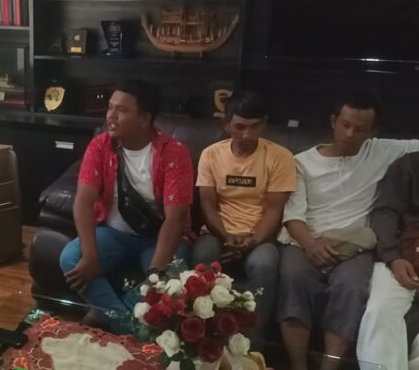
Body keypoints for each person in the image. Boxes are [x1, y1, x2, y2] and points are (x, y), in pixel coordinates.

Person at [277, 92, 419, 370]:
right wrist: (311, 245)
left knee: (352, 288)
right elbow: (292, 215)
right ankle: (298, 366)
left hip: (356, 245)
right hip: (306, 240)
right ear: (334, 121)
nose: (350, 133)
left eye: (360, 128)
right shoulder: (301, 162)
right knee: (293, 278)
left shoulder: (382, 151)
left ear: (373, 131)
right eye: (345, 124)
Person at [59, 80, 194, 332]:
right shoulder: (100, 146)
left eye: (121, 110)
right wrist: (90, 256)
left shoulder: (174, 152)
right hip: (113, 234)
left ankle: (108, 317)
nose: (110, 116)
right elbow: (83, 201)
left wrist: (155, 275)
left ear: (144, 119)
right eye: (110, 107)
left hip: (158, 238)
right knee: (70, 257)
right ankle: (131, 328)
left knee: (168, 285)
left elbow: (176, 218)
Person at [191, 91, 296, 351]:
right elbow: (207, 204)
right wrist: (226, 236)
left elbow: (274, 209)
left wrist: (252, 241)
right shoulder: (211, 154)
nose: (247, 135)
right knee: (203, 255)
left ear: (265, 124)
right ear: (226, 124)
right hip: (218, 232)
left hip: (260, 235)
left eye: (254, 127)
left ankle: (250, 348)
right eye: (239, 127)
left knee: (265, 263)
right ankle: (201, 342)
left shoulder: (280, 156)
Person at [357, 152, 419, 370]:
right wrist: (393, 257)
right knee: (380, 309)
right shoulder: (410, 164)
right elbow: (385, 212)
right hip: (402, 256)